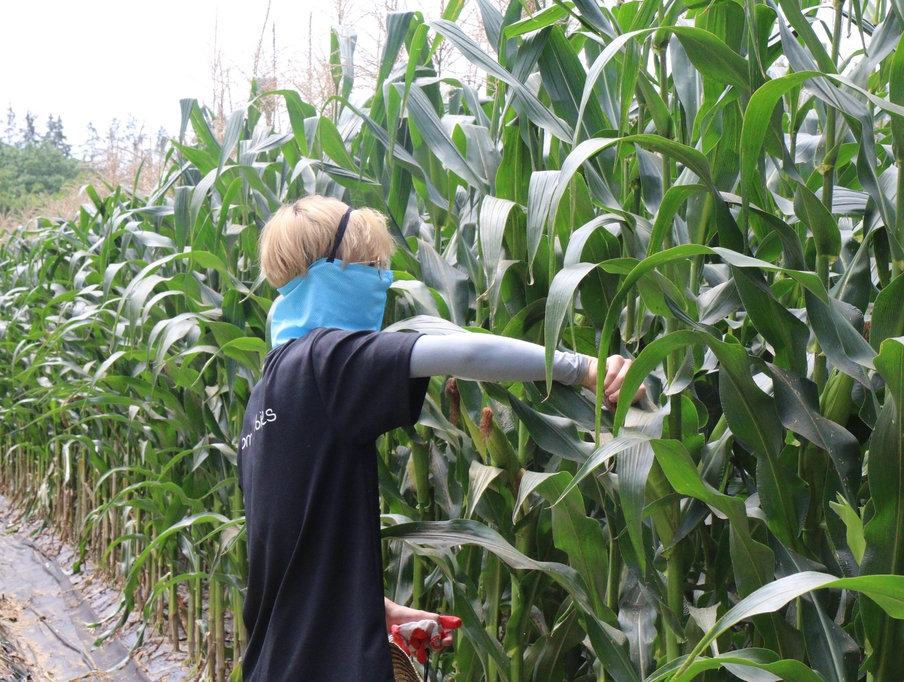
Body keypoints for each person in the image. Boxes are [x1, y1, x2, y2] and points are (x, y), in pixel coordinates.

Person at [238, 196, 644, 681]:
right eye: (372, 267)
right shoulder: (325, 361)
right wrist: (583, 369)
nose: (383, 282)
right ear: (336, 269)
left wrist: (370, 606)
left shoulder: (265, 396)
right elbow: (464, 354)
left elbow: (289, 550)